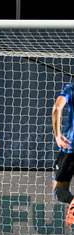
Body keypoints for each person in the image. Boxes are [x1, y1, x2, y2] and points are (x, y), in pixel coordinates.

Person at [52, 83, 74, 227]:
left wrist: (58, 135)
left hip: (70, 148)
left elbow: (57, 108)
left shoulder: (71, 88)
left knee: (59, 191)